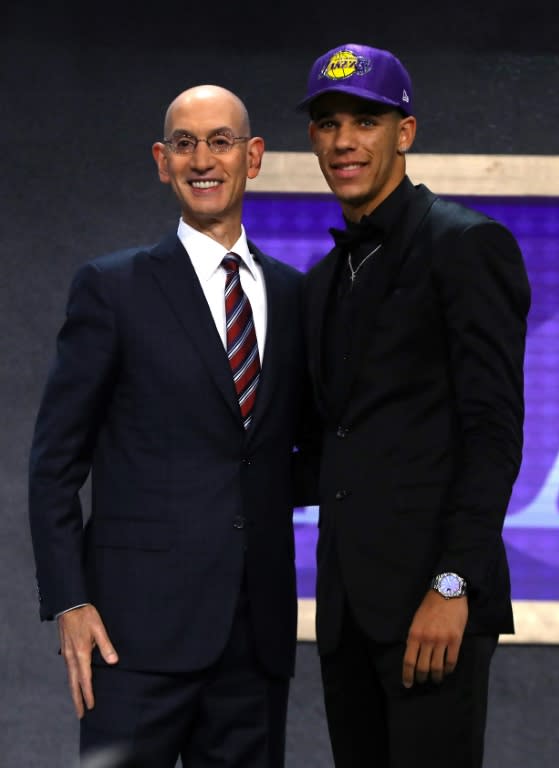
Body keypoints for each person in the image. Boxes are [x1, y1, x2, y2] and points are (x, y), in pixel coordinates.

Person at [28, 84, 307, 768]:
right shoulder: (112, 287)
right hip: (132, 640)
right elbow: (54, 464)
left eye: (220, 141)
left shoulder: (296, 295)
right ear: (161, 161)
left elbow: (288, 452)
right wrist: (69, 602)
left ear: (255, 157)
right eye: (184, 144)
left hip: (253, 643)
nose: (201, 158)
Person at [296, 44, 531, 767]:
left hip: (435, 606)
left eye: (364, 121)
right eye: (327, 123)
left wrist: (453, 583)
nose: (343, 141)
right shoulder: (325, 278)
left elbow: (492, 432)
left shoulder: (465, 246)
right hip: (346, 614)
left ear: (403, 131)